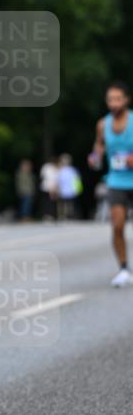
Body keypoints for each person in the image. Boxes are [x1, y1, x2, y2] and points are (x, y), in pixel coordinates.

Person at [88, 81, 133, 287]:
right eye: (110, 99)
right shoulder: (102, 125)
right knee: (117, 226)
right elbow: (99, 146)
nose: (113, 103)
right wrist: (95, 157)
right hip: (116, 180)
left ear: (126, 100)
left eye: (118, 99)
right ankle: (124, 269)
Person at [56, 153, 82, 220]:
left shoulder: (62, 170)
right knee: (68, 204)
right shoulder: (71, 170)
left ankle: (66, 216)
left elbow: (58, 181)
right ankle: (67, 216)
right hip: (68, 191)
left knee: (66, 204)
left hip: (67, 191)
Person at [39, 156, 59, 221]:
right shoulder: (51, 168)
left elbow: (42, 176)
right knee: (49, 202)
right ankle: (49, 215)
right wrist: (52, 188)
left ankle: (49, 215)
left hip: (48, 187)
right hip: (48, 187)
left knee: (48, 202)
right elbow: (50, 178)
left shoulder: (46, 167)